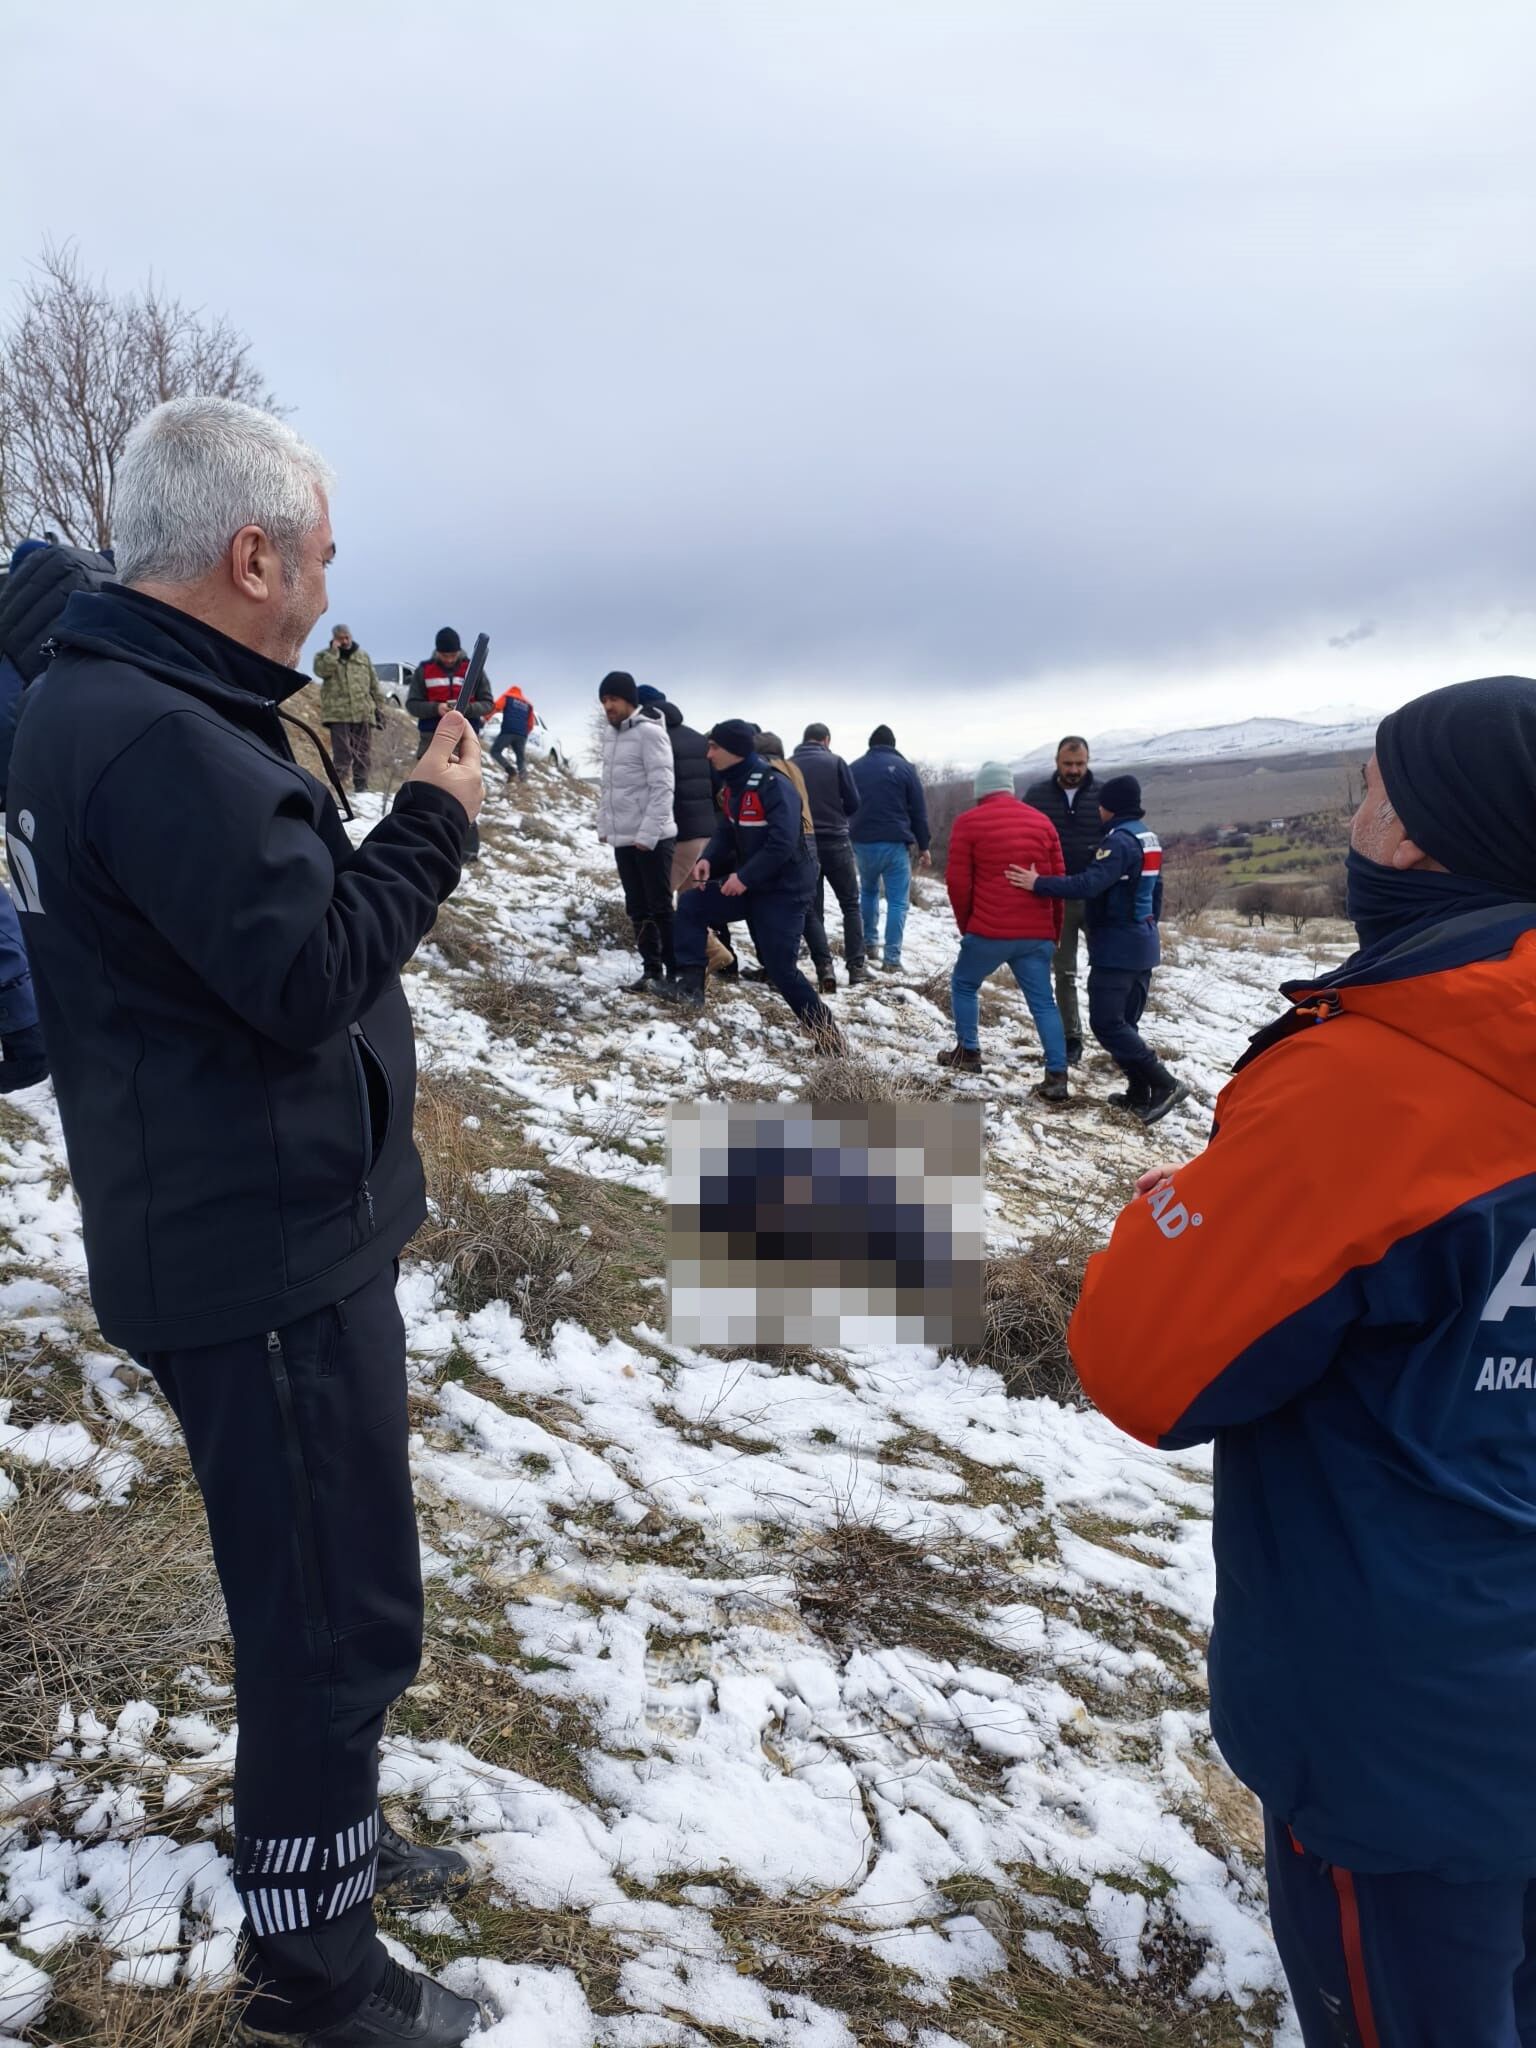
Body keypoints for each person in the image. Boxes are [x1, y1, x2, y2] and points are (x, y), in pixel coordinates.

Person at [6, 397, 485, 2048]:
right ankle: (314, 1978)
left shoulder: (121, 703)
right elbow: (301, 975)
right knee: (328, 1608)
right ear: (251, 550)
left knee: (326, 1589)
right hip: (253, 1242)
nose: (332, 591)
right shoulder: (153, 735)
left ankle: (323, 1858)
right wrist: (433, 818)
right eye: (323, 556)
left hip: (243, 1220)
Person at [1067, 677, 1536, 2048]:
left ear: (1428, 840)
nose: (1353, 809)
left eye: (1376, 786)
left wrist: (1193, 1199)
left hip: (1418, 1739)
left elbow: (1147, 1365)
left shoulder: (1379, 1084)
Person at [1009, 773, 1187, 1125]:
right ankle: (1138, 1091)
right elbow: (1156, 892)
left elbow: (1090, 883)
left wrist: (1037, 883)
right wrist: (1147, 925)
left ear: (1109, 807)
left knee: (1106, 1023)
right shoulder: (1147, 837)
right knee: (1125, 1022)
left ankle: (1164, 1084)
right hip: (1142, 942)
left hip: (1118, 947)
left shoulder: (1118, 842)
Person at [667, 720, 843, 1050]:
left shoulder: (774, 785)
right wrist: (707, 859)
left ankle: (829, 1035)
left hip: (785, 890)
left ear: (733, 750)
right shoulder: (734, 786)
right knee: (692, 904)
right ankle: (689, 990)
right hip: (755, 884)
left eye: (714, 747)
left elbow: (783, 842)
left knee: (779, 968)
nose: (708, 754)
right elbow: (727, 831)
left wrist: (744, 877)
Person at [941, 762, 1069, 1096]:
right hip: (1036, 932)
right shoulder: (1043, 823)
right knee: (1043, 1003)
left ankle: (968, 1051)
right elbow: (1057, 880)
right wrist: (1054, 929)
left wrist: (967, 924)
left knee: (965, 983)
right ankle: (1057, 1076)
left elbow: (957, 882)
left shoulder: (968, 823)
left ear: (980, 789)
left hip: (989, 930)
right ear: (1009, 788)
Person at [595, 671, 677, 994]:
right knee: (637, 909)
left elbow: (663, 788)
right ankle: (651, 972)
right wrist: (605, 825)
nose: (607, 706)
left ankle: (676, 976)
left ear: (629, 700)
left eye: (613, 699)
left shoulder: (650, 734)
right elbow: (608, 787)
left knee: (660, 908)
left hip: (653, 839)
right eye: (603, 700)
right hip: (624, 839)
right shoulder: (611, 736)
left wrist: (648, 834)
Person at [1025, 736, 1100, 1064]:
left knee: (1107, 971)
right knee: (1064, 972)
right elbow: (1023, 837)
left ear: (1088, 761)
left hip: (1099, 897)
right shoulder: (1037, 796)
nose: (1074, 770)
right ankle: (1072, 1037)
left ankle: (1115, 1033)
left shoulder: (1103, 795)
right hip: (1057, 898)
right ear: (1057, 761)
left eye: (1080, 764)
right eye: (1068, 764)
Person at [849, 724, 931, 972]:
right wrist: (924, 845)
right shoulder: (905, 769)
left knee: (869, 891)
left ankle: (869, 944)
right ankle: (892, 960)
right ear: (893, 745)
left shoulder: (854, 768)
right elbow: (918, 810)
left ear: (870, 744)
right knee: (897, 902)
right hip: (894, 843)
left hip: (861, 841)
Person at [792, 723, 868, 988]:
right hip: (836, 839)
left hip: (805, 841)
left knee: (813, 908)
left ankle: (824, 967)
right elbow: (854, 802)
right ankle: (857, 966)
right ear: (826, 740)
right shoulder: (836, 762)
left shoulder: (790, 765)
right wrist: (837, 815)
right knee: (850, 903)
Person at [407, 629, 493, 860]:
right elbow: (412, 705)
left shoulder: (473, 669)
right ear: (438, 652)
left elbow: (487, 704)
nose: (449, 659)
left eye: (452, 654)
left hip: (466, 740)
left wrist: (463, 709)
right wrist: (436, 708)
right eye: (445, 655)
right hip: (430, 740)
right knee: (426, 792)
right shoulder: (423, 670)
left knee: (466, 790)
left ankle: (468, 850)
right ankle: (426, 846)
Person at [313, 623, 383, 793]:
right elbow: (322, 672)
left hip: (363, 712)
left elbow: (374, 683)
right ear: (335, 639)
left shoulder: (363, 656)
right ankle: (338, 788)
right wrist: (333, 653)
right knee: (342, 754)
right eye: (341, 638)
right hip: (338, 714)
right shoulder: (324, 656)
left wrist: (379, 708)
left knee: (362, 753)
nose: (345, 641)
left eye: (347, 637)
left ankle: (361, 787)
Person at [488, 684, 534, 781]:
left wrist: (485, 718)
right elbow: (530, 724)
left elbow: (496, 707)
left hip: (508, 731)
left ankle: (510, 771)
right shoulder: (528, 704)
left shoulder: (508, 697)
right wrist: (524, 733)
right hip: (522, 735)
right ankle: (523, 780)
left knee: (495, 751)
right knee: (520, 757)